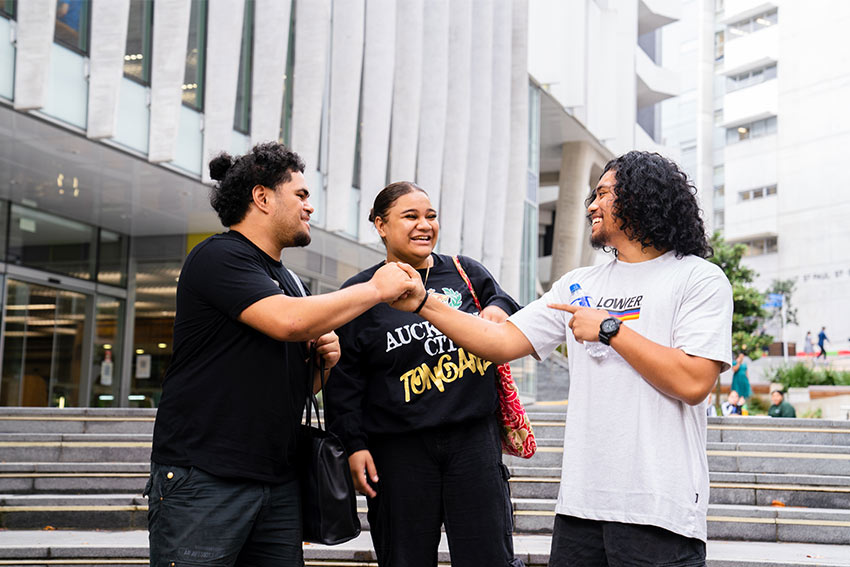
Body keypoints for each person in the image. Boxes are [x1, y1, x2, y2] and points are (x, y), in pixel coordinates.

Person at [392, 151, 733, 566]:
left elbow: (694, 382)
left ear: (641, 198)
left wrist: (612, 330)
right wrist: (424, 302)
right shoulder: (577, 284)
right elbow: (499, 341)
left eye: (603, 193)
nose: (591, 205)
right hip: (580, 508)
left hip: (658, 508)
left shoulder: (697, 278)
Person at [146, 143, 416, 566]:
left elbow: (296, 384)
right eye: (301, 195)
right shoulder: (219, 256)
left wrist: (324, 363)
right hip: (205, 479)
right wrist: (376, 289)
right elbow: (287, 322)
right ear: (262, 197)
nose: (310, 206)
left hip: (277, 480)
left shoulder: (289, 278)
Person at [325, 182, 524, 567]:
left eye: (430, 216)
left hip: (473, 441)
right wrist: (354, 445)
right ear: (381, 226)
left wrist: (498, 309)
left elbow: (501, 299)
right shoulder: (362, 292)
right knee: (405, 557)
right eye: (411, 216)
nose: (424, 225)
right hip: (398, 450)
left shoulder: (465, 272)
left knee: (489, 557)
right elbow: (344, 383)